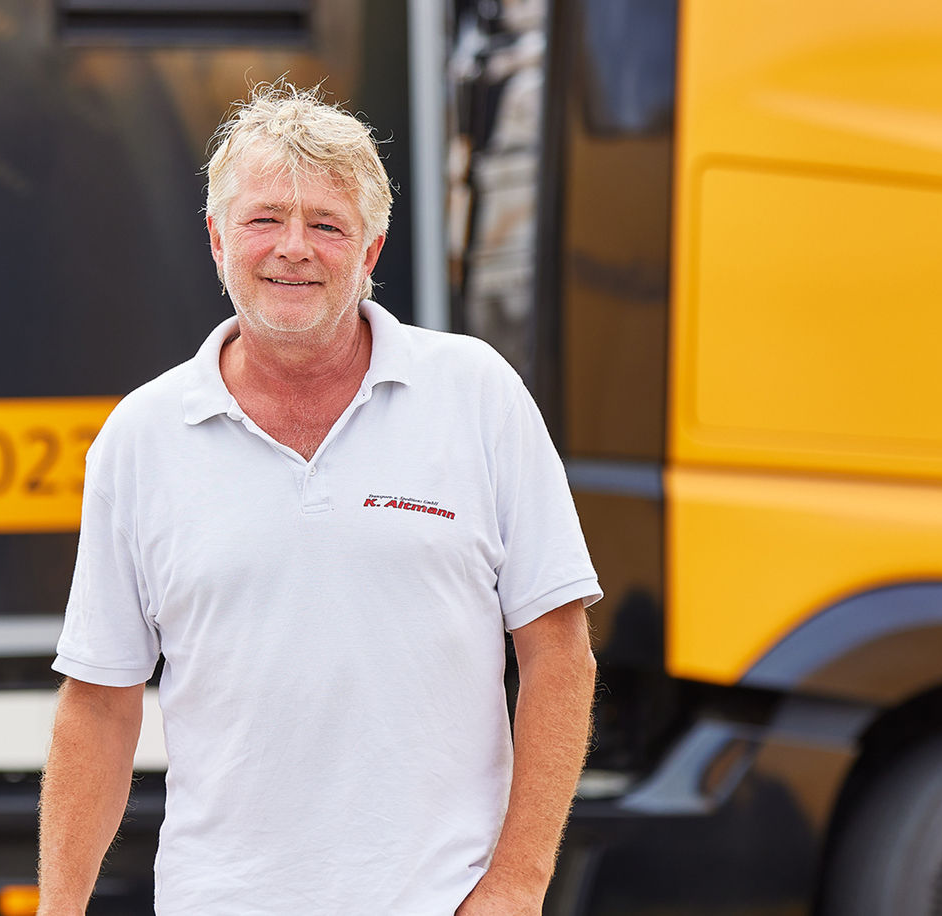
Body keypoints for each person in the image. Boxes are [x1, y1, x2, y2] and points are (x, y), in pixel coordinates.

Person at [37, 82, 600, 916]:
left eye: (327, 226)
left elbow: (561, 656)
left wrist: (516, 887)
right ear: (218, 239)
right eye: (264, 219)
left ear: (371, 252)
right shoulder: (142, 438)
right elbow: (101, 702)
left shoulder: (477, 395)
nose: (293, 248)